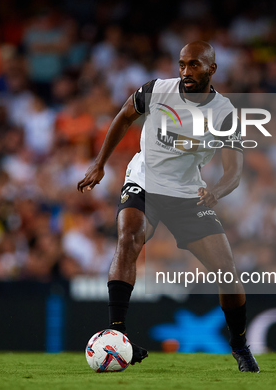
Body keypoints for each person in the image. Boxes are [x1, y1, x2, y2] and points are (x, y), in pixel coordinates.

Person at [77, 41, 259, 373]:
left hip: (189, 193)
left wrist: (216, 191)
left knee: (228, 273)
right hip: (144, 179)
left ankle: (239, 346)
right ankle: (117, 333)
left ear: (211, 69)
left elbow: (234, 170)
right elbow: (123, 117)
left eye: (194, 65)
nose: (186, 72)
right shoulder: (156, 90)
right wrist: (100, 163)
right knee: (129, 238)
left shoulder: (225, 113)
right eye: (182, 65)